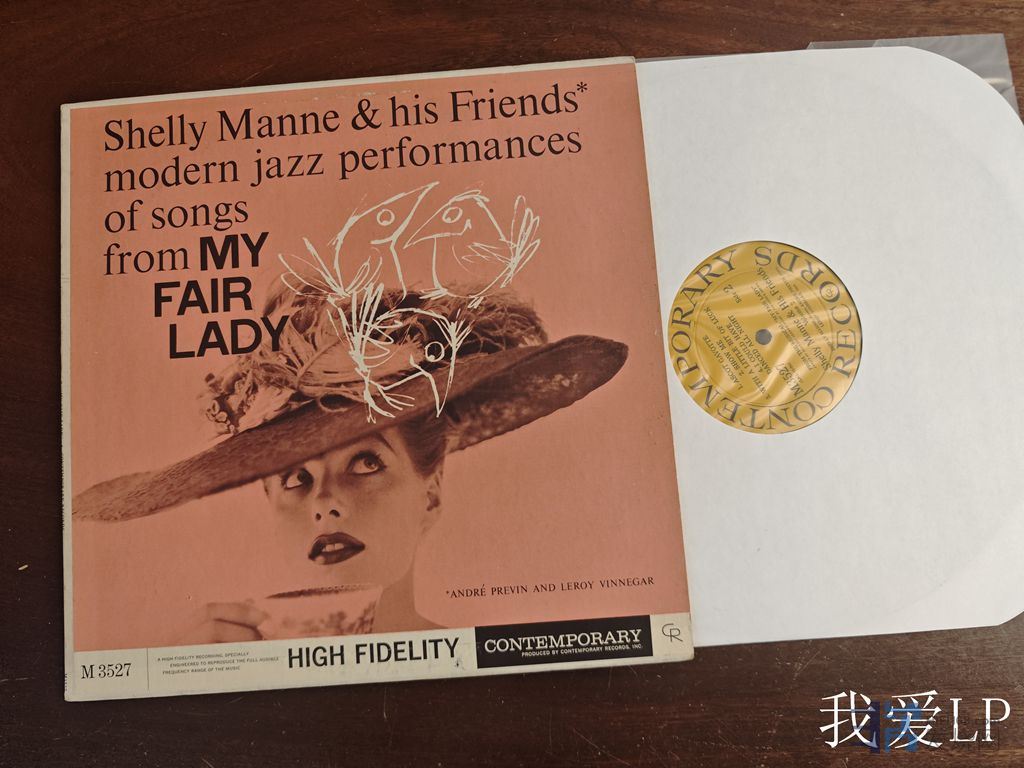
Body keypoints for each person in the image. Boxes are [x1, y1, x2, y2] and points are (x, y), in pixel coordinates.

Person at [73, 283, 629, 645]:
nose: (325, 502)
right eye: (296, 479)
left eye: (366, 462)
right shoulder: (214, 661)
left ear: (430, 493)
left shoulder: (490, 671)